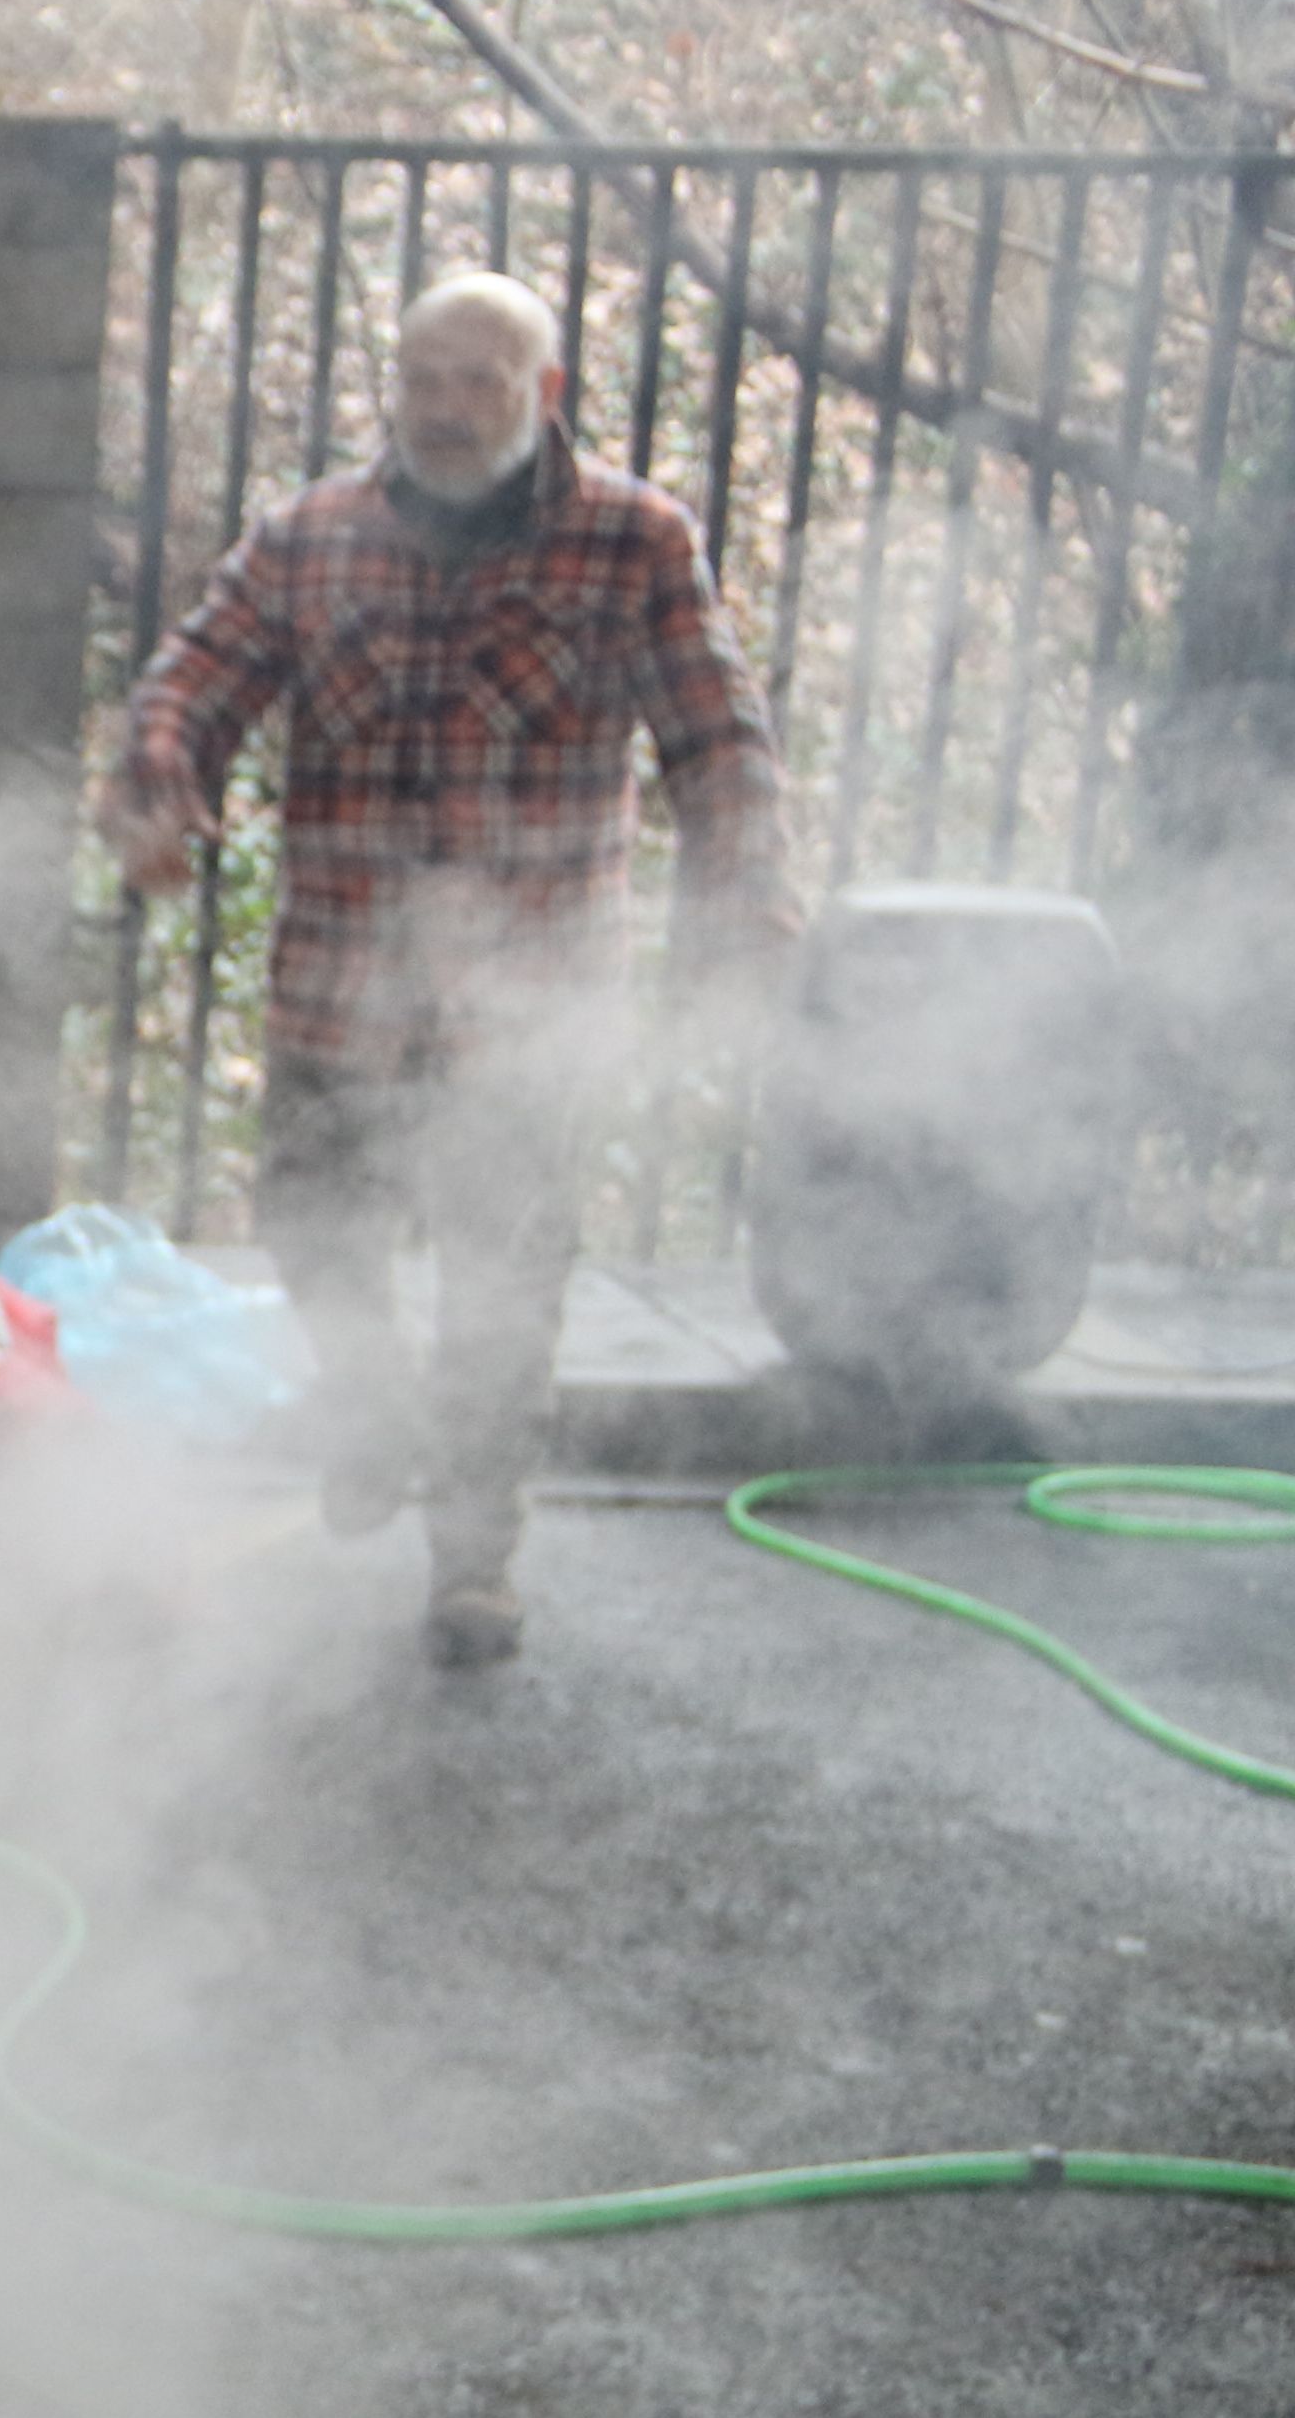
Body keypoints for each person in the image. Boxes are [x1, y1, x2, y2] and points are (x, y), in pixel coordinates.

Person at [101, 270, 797, 1667]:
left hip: (532, 1015)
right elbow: (194, 677)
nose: (445, 406)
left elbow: (717, 739)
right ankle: (372, 1413)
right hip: (338, 994)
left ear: (546, 393)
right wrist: (161, 781)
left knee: (504, 1289)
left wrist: (744, 901)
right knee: (313, 1233)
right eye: (423, 378)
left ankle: (474, 1560)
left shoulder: (634, 542)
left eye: (480, 379)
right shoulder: (308, 538)